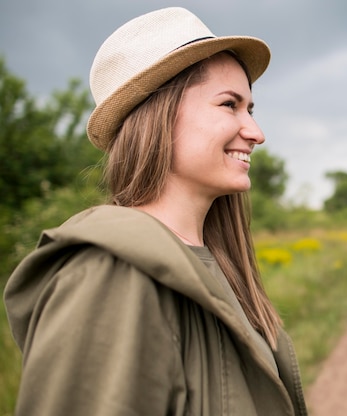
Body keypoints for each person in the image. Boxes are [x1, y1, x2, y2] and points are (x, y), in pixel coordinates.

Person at [4, 7, 308, 415]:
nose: (256, 133)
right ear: (158, 116)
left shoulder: (220, 266)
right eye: (229, 105)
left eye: (250, 109)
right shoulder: (109, 274)